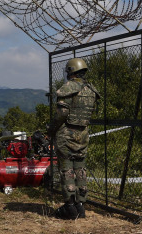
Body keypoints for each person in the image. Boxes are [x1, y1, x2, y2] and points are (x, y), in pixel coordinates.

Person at [48, 58, 100, 219]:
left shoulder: (69, 87)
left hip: (66, 134)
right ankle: (81, 204)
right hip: (83, 134)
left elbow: (62, 114)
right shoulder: (91, 90)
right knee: (80, 168)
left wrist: (51, 129)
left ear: (71, 71)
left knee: (66, 169)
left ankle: (69, 206)